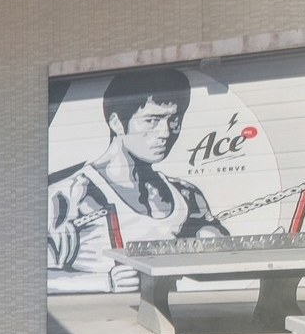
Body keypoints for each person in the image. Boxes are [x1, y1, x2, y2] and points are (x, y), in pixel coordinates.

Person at [45, 67, 229, 294]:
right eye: (152, 119)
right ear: (116, 123)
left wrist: (211, 239)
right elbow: (34, 277)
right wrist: (105, 282)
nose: (166, 132)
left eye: (175, 119)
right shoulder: (69, 195)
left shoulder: (187, 195)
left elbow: (217, 251)